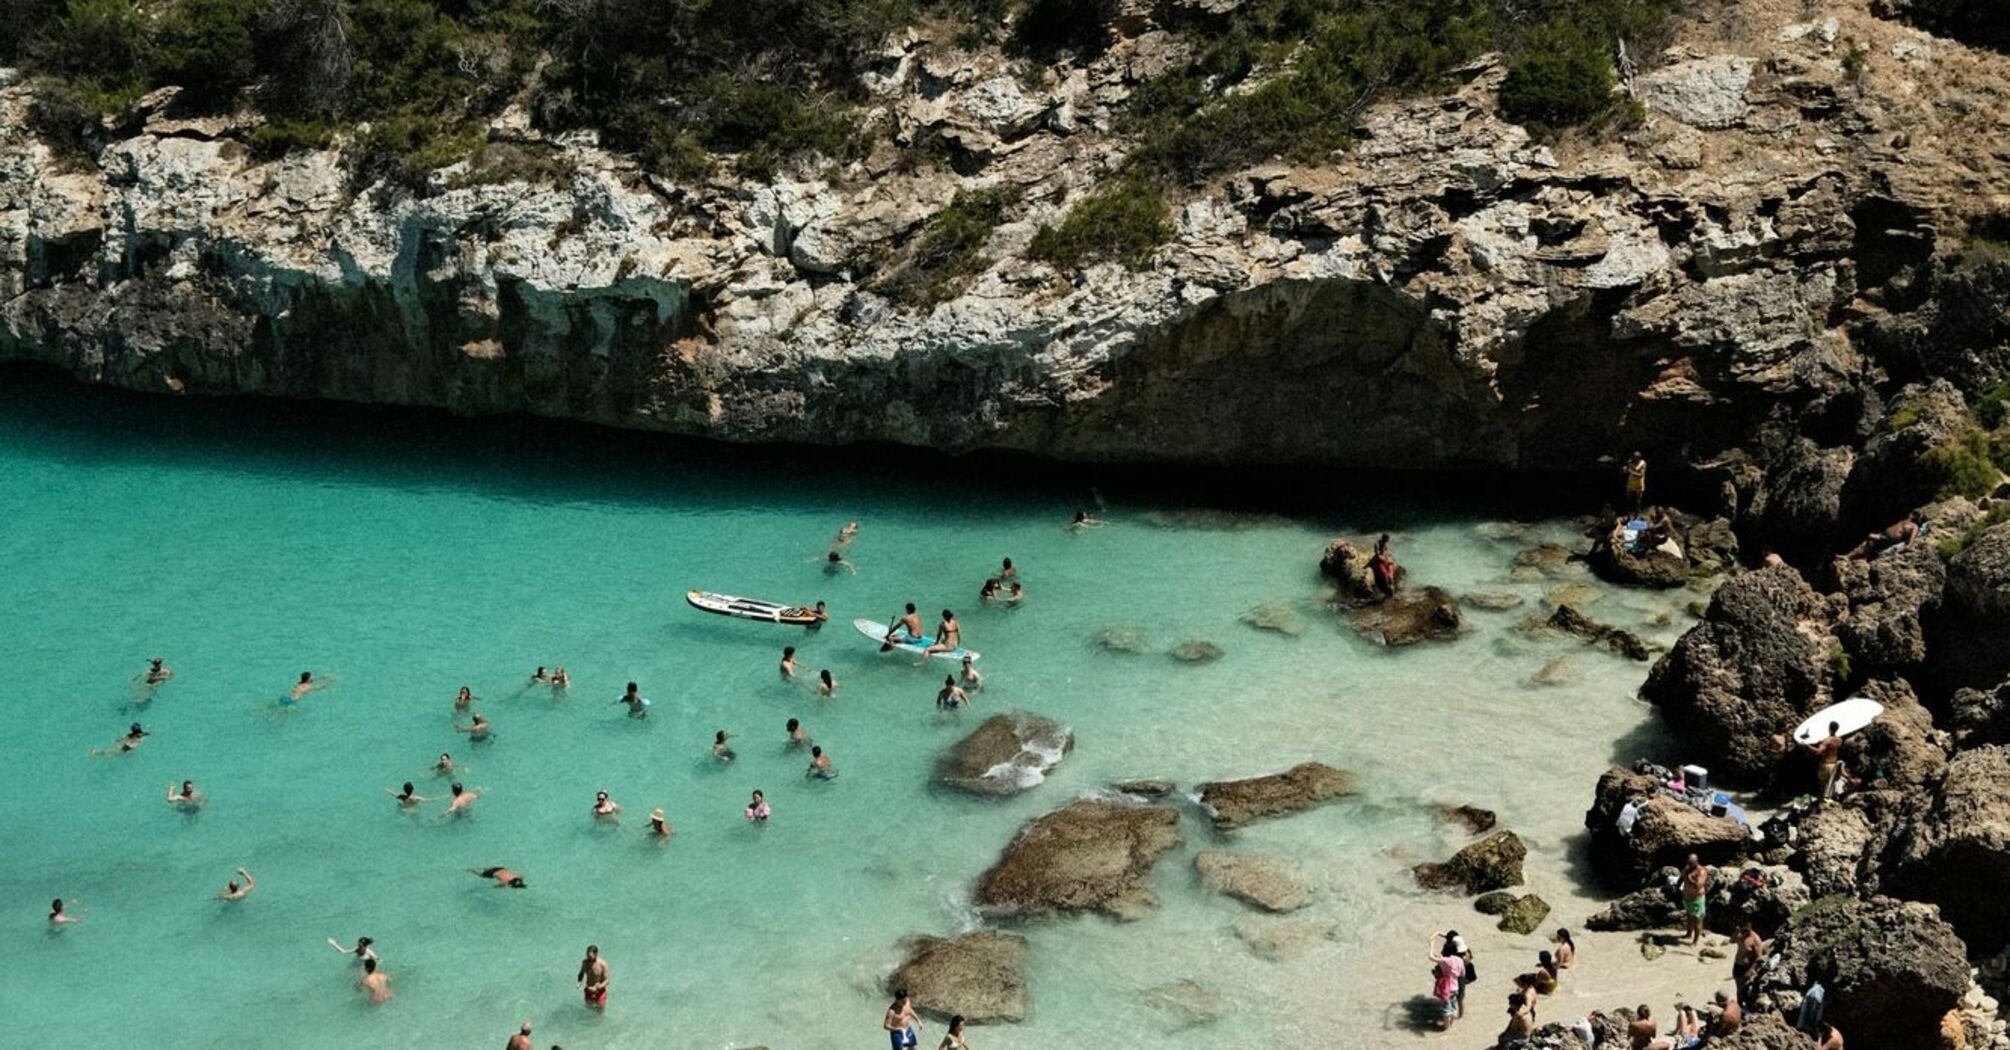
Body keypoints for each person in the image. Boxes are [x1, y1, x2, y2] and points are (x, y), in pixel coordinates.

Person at [1429, 932, 1468, 1031]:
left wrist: (1431, 946)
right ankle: (1451, 1024)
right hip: (1455, 987)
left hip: (1446, 987)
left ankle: (1445, 1028)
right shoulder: (1459, 960)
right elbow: (1462, 973)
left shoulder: (1444, 960)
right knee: (1453, 1005)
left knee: (1446, 1008)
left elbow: (1431, 957)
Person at [1851, 511, 1923, 559]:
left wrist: (1909, 546)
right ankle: (1865, 553)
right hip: (1884, 535)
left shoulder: (1914, 526)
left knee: (1871, 536)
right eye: (1913, 513)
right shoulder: (1903, 519)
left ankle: (1865, 554)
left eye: (1915, 515)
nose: (1912, 515)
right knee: (1870, 536)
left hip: (1889, 539)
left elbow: (1912, 537)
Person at [1807, 721, 1844, 799]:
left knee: (1822, 787)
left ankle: (1822, 803)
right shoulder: (1839, 740)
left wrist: (1807, 746)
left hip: (1825, 765)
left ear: (1829, 728)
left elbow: (1818, 752)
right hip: (1834, 765)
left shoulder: (1827, 740)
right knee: (1831, 786)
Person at [1732, 920, 1764, 1007]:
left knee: (1744, 989)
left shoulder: (1755, 939)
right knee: (1738, 989)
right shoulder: (1740, 935)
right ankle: (1740, 1006)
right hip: (1737, 965)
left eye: (1747, 931)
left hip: (1747, 968)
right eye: (1743, 931)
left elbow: (1759, 957)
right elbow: (1732, 941)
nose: (1745, 933)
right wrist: (1735, 932)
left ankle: (1745, 1007)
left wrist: (1751, 970)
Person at [1679, 854, 1709, 946]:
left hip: (1697, 898)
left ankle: (1695, 941)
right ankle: (1688, 934)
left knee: (1697, 920)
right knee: (1689, 916)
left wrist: (1690, 878)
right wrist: (1677, 884)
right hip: (1687, 898)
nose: (1690, 865)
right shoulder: (1687, 868)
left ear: (1696, 862)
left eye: (1692, 863)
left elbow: (1698, 886)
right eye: (1689, 863)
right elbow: (1681, 878)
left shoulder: (1702, 871)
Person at [577, 944, 610, 1010]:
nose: (588, 958)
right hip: (588, 990)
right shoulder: (585, 963)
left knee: (600, 1010)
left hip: (599, 992)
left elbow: (607, 980)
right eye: (587, 955)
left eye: (590, 956)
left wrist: (599, 986)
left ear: (596, 954)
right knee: (589, 1010)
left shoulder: (602, 964)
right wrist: (579, 982)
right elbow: (581, 973)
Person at [1369, 534, 1398, 598]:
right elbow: (1377, 555)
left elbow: (1386, 552)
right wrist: (1386, 560)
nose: (1388, 541)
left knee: (1390, 576)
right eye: (1387, 539)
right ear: (1384, 538)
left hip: (1384, 559)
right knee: (1384, 575)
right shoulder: (1377, 544)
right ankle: (1387, 590)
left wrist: (1389, 558)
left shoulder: (1385, 543)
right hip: (1380, 560)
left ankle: (1391, 590)